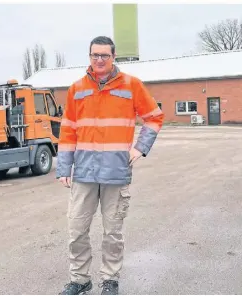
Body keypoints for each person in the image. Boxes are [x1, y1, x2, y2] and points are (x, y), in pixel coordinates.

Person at [56, 36, 164, 295]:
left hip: (116, 172)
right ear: (89, 57)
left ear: (114, 56)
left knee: (112, 233)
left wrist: (140, 148)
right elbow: (68, 129)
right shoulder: (77, 89)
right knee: (77, 230)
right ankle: (80, 280)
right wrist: (63, 167)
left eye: (104, 55)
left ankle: (110, 280)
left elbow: (154, 117)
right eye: (95, 55)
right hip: (83, 172)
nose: (99, 60)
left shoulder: (132, 86)